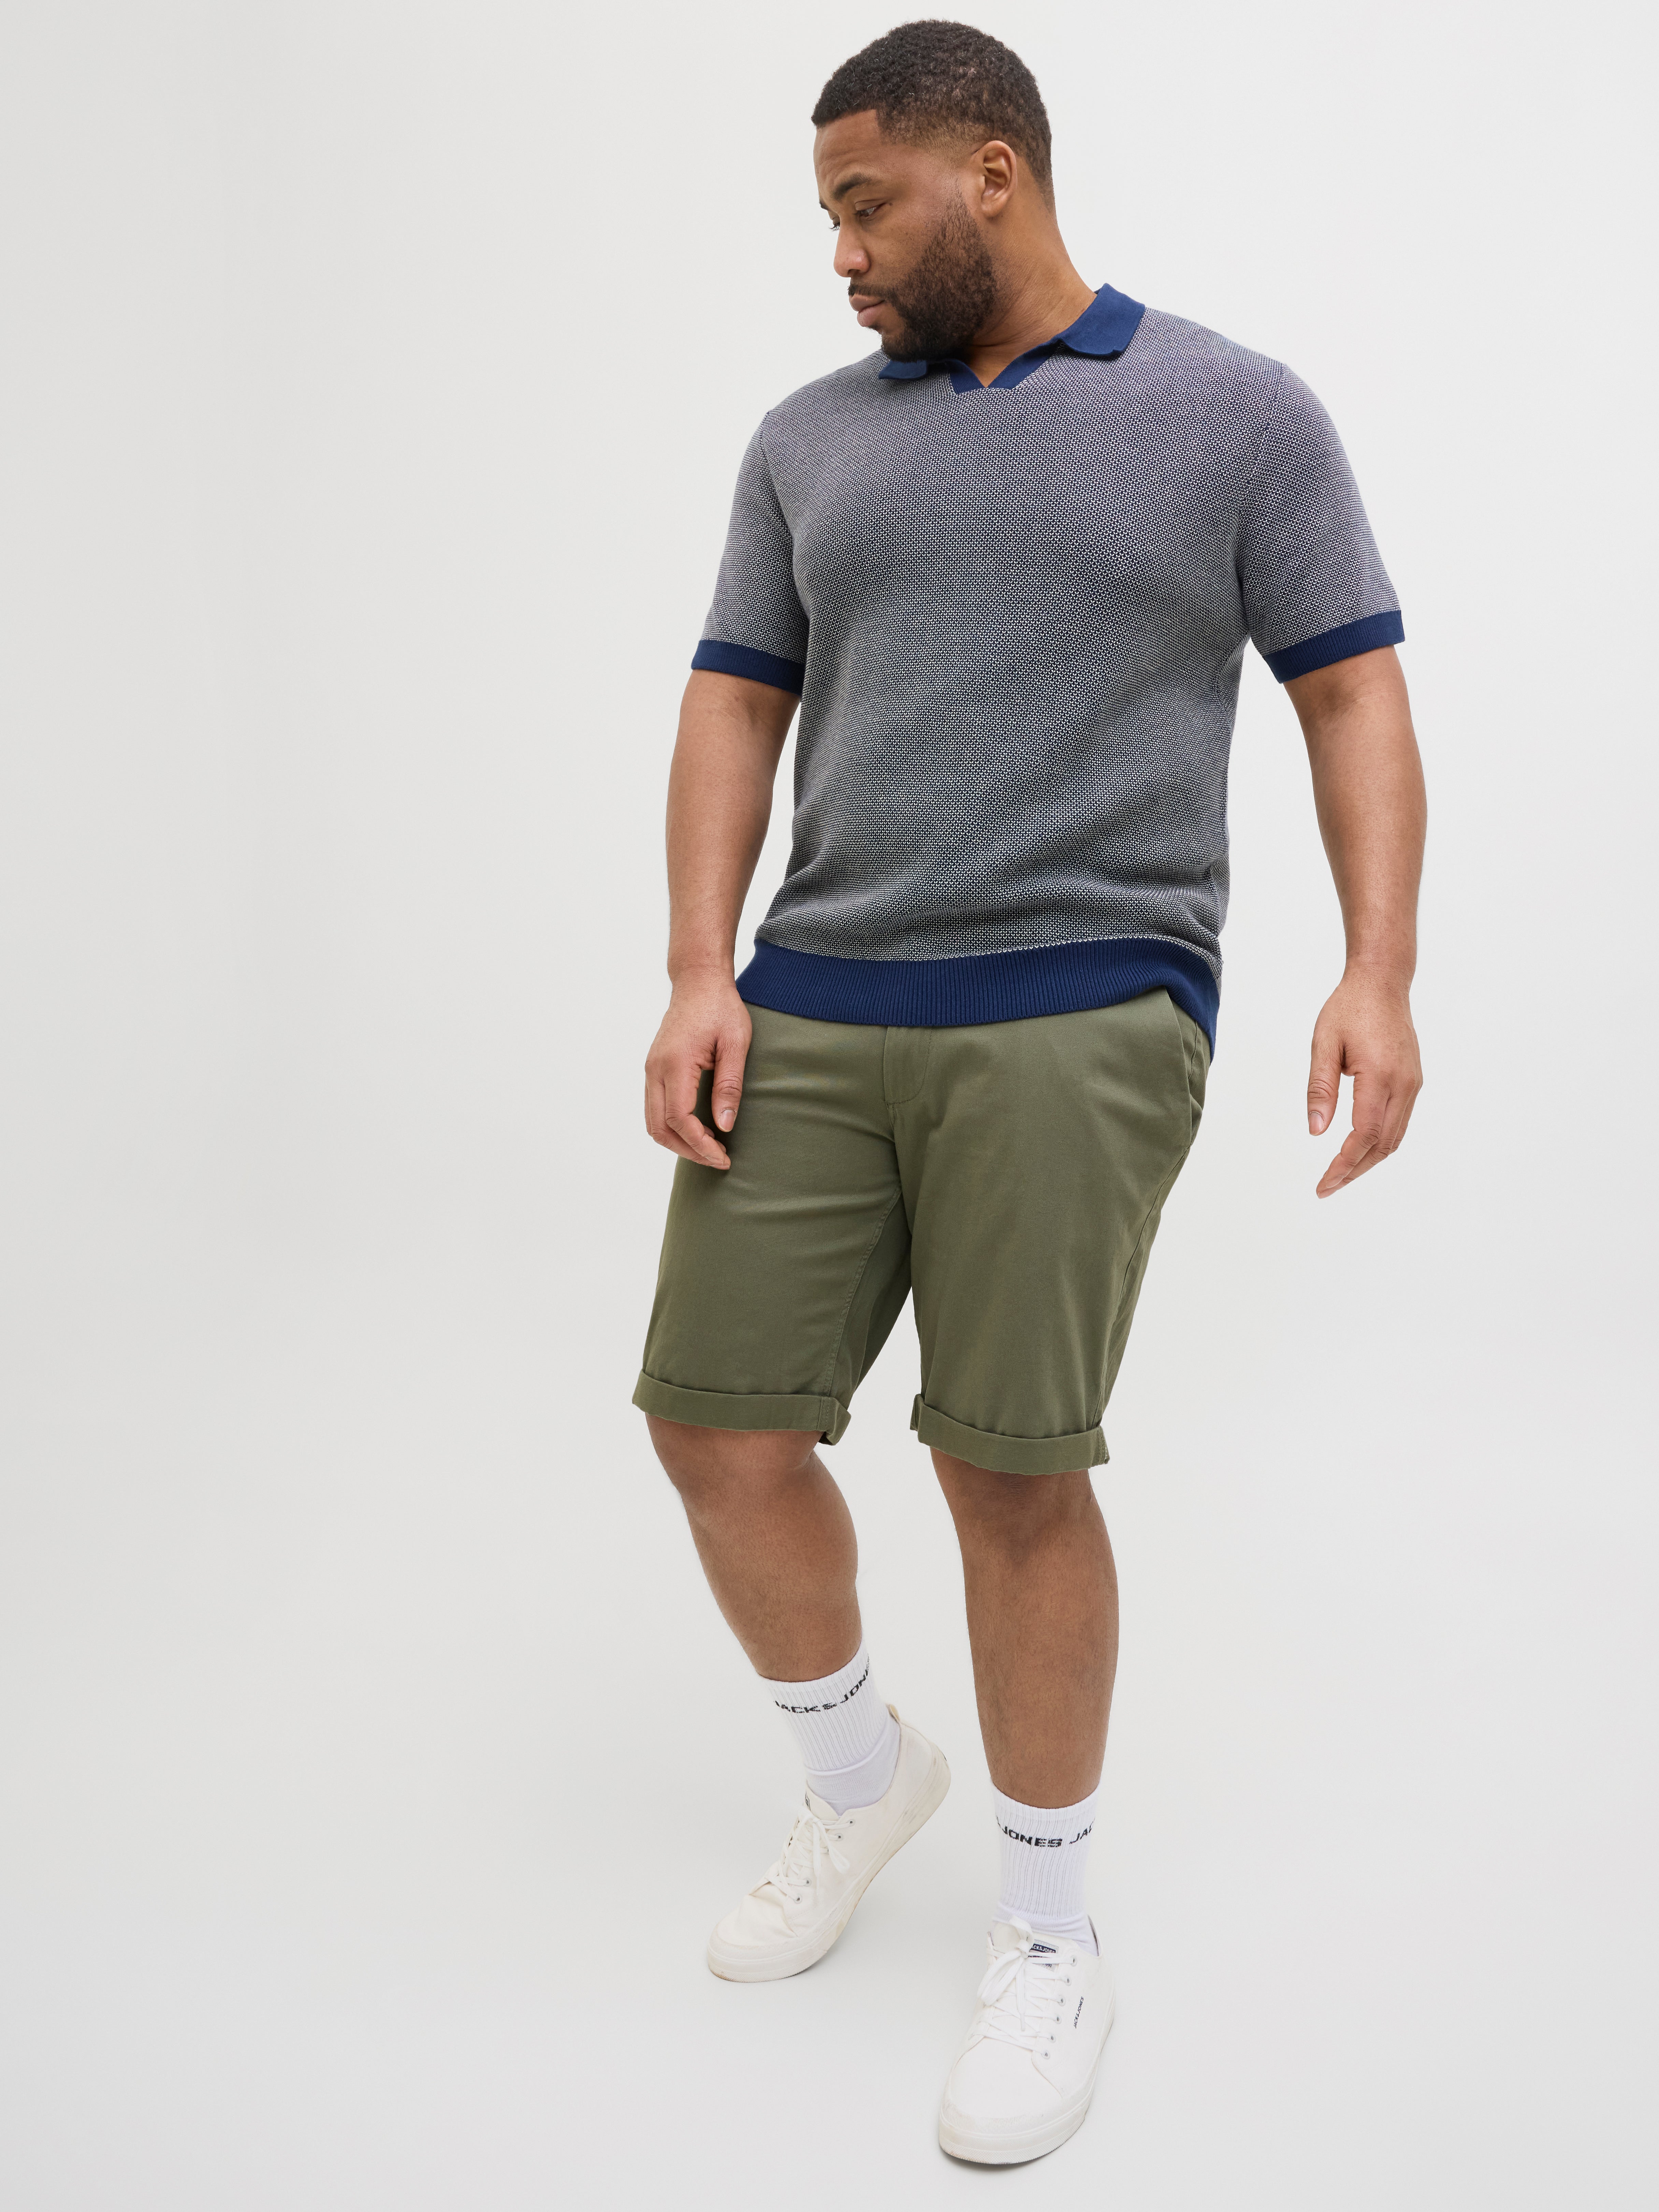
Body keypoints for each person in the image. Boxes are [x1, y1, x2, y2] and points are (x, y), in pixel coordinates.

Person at [633, 18, 1425, 2167]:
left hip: (1087, 992)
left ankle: (1052, 1930)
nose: (841, 253)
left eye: (865, 205)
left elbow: (1351, 691)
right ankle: (857, 1775)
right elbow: (734, 705)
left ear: (992, 172)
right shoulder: (807, 441)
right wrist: (701, 969)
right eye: (826, 217)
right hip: (817, 992)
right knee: (715, 1424)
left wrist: (1377, 968)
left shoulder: (1236, 413)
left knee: (1006, 1466)